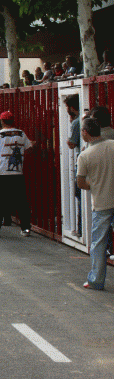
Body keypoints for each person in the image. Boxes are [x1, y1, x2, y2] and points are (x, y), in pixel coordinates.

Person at [76, 117, 114, 290]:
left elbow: (81, 183)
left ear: (85, 132)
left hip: (101, 202)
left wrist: (95, 183)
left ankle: (96, 280)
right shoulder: (113, 145)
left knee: (99, 243)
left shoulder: (85, 155)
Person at [0, 111, 34, 238]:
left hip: (2, 172)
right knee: (22, 201)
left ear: (2, 121)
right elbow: (30, 147)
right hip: (18, 172)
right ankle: (26, 228)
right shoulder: (21, 134)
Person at [64, 94, 82, 237]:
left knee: (79, 194)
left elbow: (72, 143)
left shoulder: (77, 123)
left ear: (71, 107)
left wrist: (67, 140)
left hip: (80, 162)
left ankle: (80, 229)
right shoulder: (83, 119)